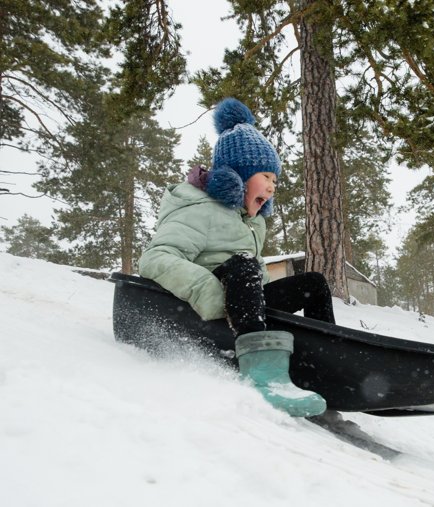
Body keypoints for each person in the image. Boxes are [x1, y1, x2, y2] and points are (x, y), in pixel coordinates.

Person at [139, 97, 332, 418]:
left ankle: (325, 355)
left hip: (243, 308)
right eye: (266, 176)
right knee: (242, 263)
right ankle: (262, 376)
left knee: (313, 283)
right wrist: (208, 291)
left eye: (275, 179)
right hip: (204, 308)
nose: (272, 187)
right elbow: (156, 258)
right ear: (238, 177)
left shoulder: (250, 221)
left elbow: (253, 276)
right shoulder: (200, 210)